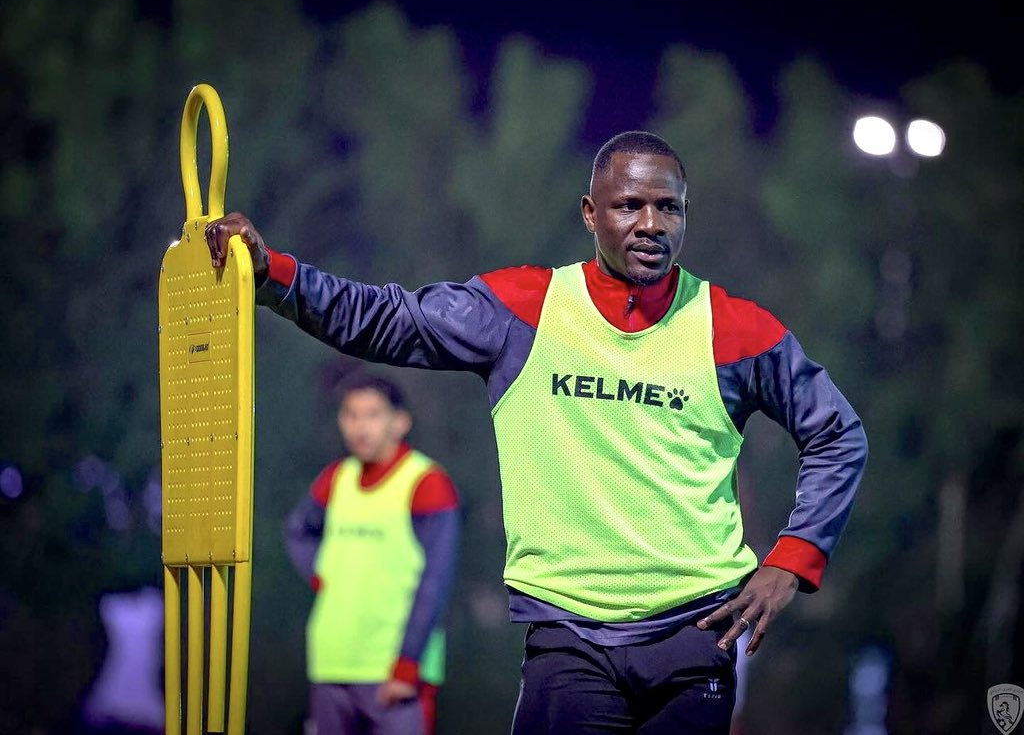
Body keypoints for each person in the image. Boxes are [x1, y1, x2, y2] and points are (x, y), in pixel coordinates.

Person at [207, 130, 868, 734]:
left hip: (697, 637)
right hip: (567, 642)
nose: (650, 223)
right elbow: (385, 318)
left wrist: (793, 559)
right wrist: (272, 274)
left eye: (669, 208)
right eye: (629, 205)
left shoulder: (735, 327)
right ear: (590, 213)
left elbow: (837, 435)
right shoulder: (523, 309)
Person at [284, 373, 460, 735]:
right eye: (351, 415)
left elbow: (435, 582)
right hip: (331, 664)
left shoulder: (426, 482)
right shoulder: (337, 477)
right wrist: (324, 574)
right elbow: (297, 531)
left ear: (400, 422)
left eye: (373, 415)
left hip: (396, 673)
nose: (360, 427)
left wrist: (407, 665)